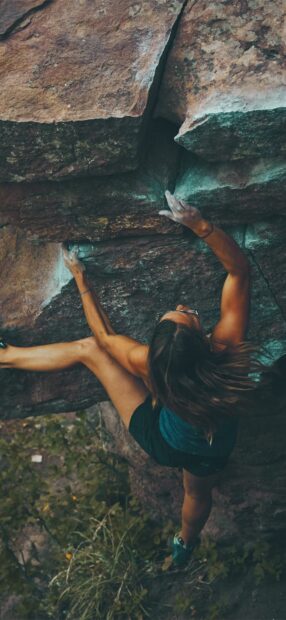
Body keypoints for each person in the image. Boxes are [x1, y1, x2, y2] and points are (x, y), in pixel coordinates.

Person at [0, 191, 254, 567]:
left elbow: (102, 338)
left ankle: (6, 358)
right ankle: (184, 544)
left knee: (88, 350)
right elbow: (239, 271)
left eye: (181, 313)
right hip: (208, 449)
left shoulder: (148, 364)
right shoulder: (227, 353)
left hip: (162, 437)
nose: (183, 307)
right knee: (198, 495)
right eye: (185, 314)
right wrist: (200, 225)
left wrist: (81, 279)